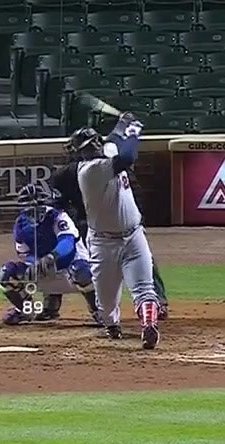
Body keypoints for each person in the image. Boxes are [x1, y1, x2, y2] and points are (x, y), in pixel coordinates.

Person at [68, 116, 163, 349]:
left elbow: (112, 139)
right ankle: (112, 325)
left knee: (144, 288)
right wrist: (133, 131)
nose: (91, 150)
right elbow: (128, 156)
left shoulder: (106, 151)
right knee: (106, 306)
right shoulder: (90, 171)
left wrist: (122, 123)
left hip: (133, 236)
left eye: (93, 145)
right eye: (86, 149)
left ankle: (149, 326)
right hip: (103, 244)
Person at [51, 153, 169, 320]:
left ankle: (157, 301)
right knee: (87, 264)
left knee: (143, 259)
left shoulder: (112, 167)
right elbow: (59, 204)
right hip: (91, 226)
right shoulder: (67, 174)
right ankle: (94, 309)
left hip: (121, 221)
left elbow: (133, 192)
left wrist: (136, 217)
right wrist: (77, 221)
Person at [0, 183, 101, 325]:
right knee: (5, 275)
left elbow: (67, 243)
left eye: (39, 207)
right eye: (30, 209)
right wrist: (33, 264)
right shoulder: (21, 225)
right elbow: (25, 253)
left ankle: (98, 310)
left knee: (81, 271)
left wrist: (52, 257)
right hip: (45, 272)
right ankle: (27, 310)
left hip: (70, 271)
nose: (35, 212)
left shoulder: (58, 216)